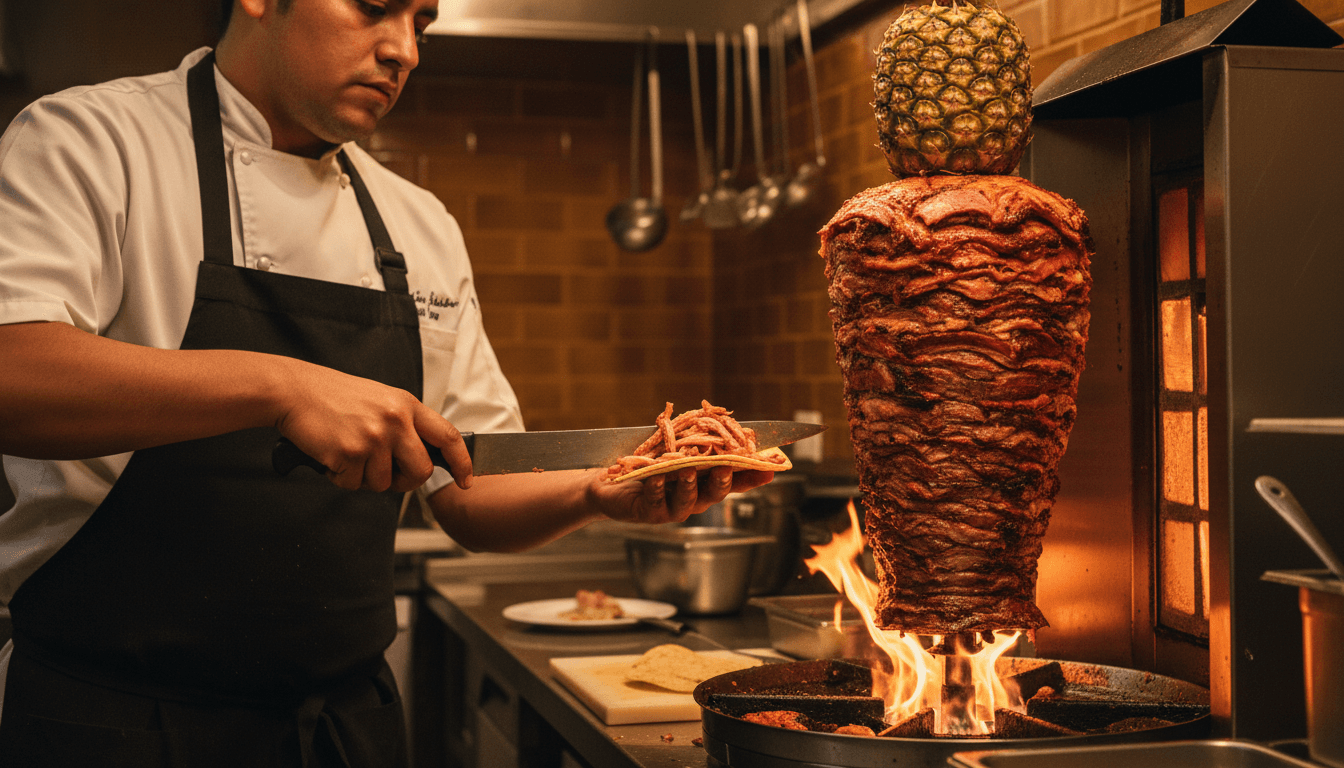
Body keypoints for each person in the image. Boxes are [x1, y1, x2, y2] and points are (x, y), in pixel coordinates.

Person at [0, 1, 775, 765]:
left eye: (422, 23)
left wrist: (598, 494)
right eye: (374, 8)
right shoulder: (91, 141)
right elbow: (14, 373)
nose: (405, 49)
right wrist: (281, 388)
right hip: (115, 722)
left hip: (342, 731)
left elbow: (467, 483)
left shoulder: (418, 222)